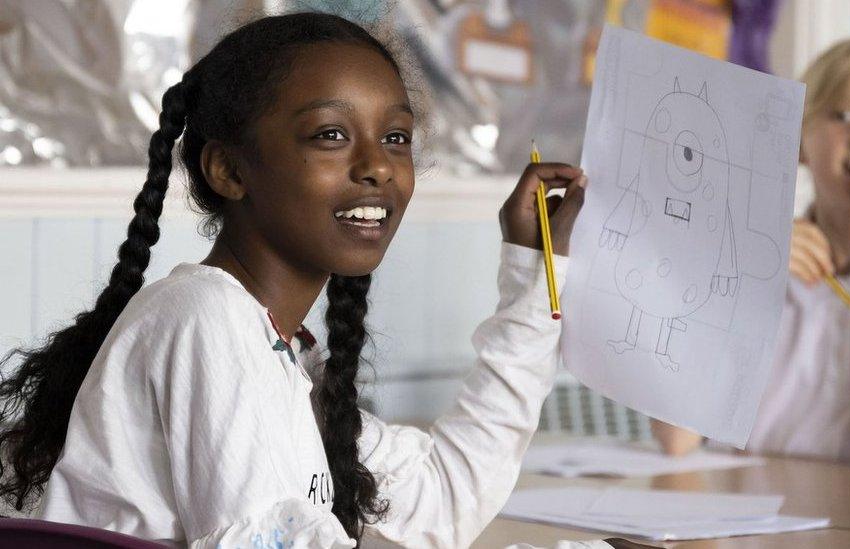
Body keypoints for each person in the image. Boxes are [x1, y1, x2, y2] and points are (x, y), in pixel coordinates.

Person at [0, 12, 640, 548]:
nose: (379, 168)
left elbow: (446, 497)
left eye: (396, 137)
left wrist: (533, 272)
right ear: (228, 169)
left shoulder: (283, 354)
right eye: (330, 134)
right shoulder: (204, 318)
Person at [652, 37, 850, 471]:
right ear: (800, 142)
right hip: (741, 518)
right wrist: (738, 273)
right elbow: (677, 438)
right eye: (842, 116)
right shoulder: (752, 252)